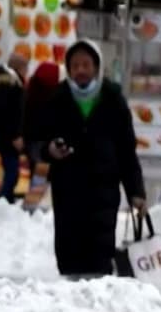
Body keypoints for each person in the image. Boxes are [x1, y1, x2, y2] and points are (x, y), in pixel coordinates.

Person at [37, 40, 146, 277]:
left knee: (100, 252)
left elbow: (127, 150)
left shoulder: (113, 98)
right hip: (68, 190)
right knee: (68, 251)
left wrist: (136, 192)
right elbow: (38, 139)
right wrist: (50, 150)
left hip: (103, 191)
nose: (80, 70)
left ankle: (97, 302)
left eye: (86, 64)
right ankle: (70, 297)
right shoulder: (58, 98)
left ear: (97, 67)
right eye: (75, 65)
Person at [0, 52, 29, 203]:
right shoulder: (10, 85)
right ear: (19, 68)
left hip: (5, 135)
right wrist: (15, 135)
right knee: (12, 172)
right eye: (26, 67)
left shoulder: (6, 83)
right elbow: (10, 113)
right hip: (8, 136)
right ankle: (3, 200)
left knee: (11, 171)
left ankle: (6, 199)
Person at [22, 61, 61, 170]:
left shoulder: (29, 95)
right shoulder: (52, 100)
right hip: (45, 144)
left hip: (31, 141)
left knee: (35, 175)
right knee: (42, 176)